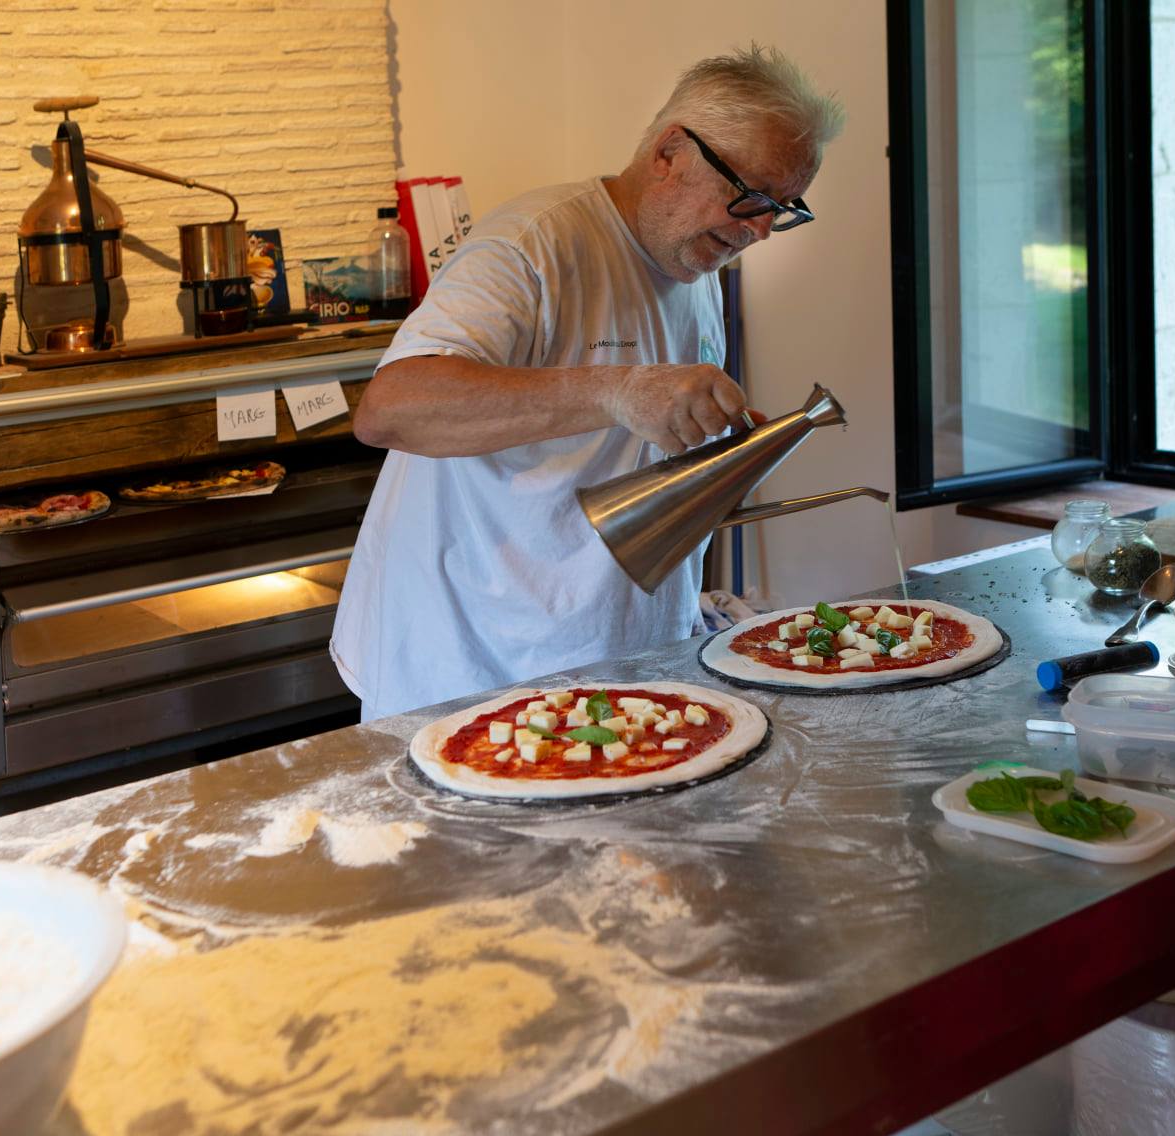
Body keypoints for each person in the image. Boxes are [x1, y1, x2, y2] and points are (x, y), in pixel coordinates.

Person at [332, 45, 844, 721]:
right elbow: (390, 408)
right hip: (471, 669)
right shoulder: (534, 243)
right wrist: (616, 391)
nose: (761, 230)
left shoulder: (696, 268)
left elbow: (631, 456)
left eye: (783, 207)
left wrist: (712, 439)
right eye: (750, 197)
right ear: (670, 154)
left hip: (618, 664)